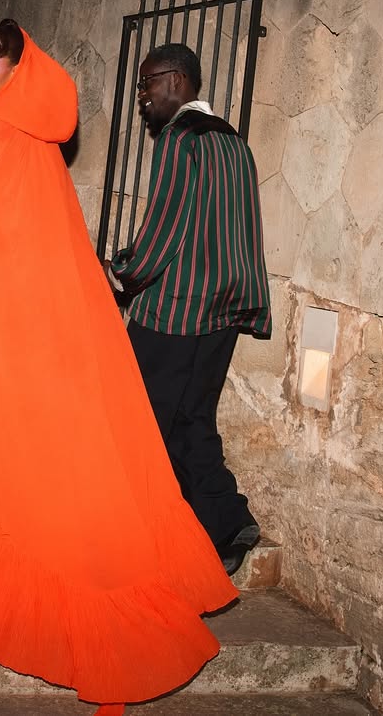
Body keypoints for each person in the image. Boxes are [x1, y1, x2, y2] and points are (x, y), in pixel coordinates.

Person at [0, 21, 238, 716]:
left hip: (1, 329)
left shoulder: (1, 133)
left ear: (15, 75)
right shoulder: (29, 137)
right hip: (26, 323)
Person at [106, 43, 271, 578]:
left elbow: (166, 228)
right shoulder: (235, 144)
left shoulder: (180, 139)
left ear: (175, 80)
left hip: (174, 313)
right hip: (223, 314)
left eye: (146, 83)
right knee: (191, 421)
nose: (142, 96)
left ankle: (135, 535)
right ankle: (227, 523)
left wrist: (123, 272)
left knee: (135, 420)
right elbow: (242, 232)